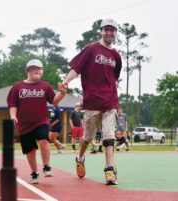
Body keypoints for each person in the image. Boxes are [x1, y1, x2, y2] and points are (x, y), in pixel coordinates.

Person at [59, 18, 122, 185]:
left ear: (115, 33)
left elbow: (113, 78)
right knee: (87, 139)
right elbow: (76, 68)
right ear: (101, 31)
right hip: (92, 103)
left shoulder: (116, 56)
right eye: (106, 29)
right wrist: (66, 81)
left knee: (109, 137)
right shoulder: (91, 49)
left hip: (110, 102)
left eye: (112, 30)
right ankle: (80, 157)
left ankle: (109, 171)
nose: (109, 33)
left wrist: (116, 102)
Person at [7, 59, 66, 184]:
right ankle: (34, 172)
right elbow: (12, 104)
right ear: (28, 70)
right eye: (34, 68)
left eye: (40, 68)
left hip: (41, 121)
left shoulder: (45, 86)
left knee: (44, 140)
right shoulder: (18, 87)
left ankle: (46, 166)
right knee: (30, 150)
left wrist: (62, 93)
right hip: (24, 124)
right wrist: (13, 116)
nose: (37, 70)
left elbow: (54, 101)